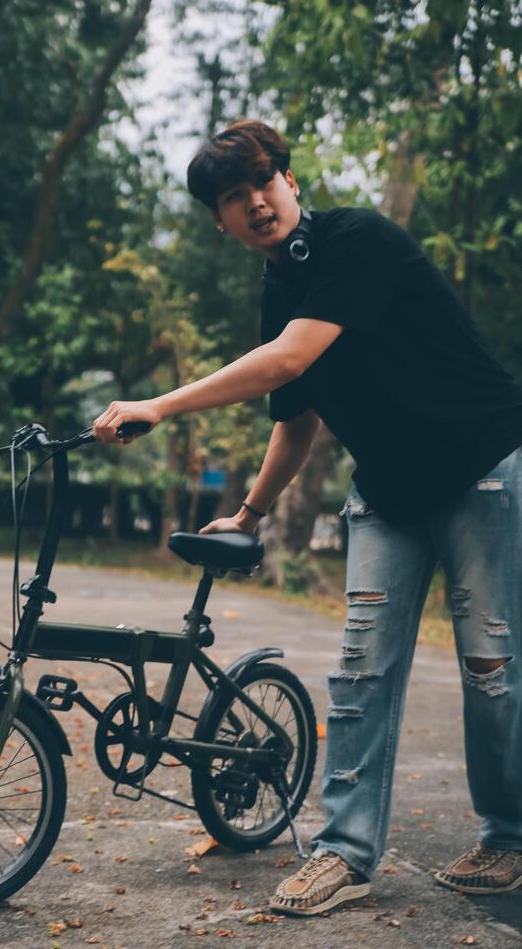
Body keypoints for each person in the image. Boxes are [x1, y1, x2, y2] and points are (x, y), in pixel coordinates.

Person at [92, 119, 522, 916]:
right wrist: (247, 512)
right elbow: (296, 418)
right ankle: (346, 853)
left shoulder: (359, 239)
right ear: (220, 221)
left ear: (291, 182)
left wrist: (160, 403)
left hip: (481, 469)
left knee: (491, 671)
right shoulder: (279, 293)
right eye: (233, 196)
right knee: (359, 671)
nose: (256, 202)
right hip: (390, 493)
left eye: (264, 182)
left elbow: (289, 363)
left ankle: (508, 838)